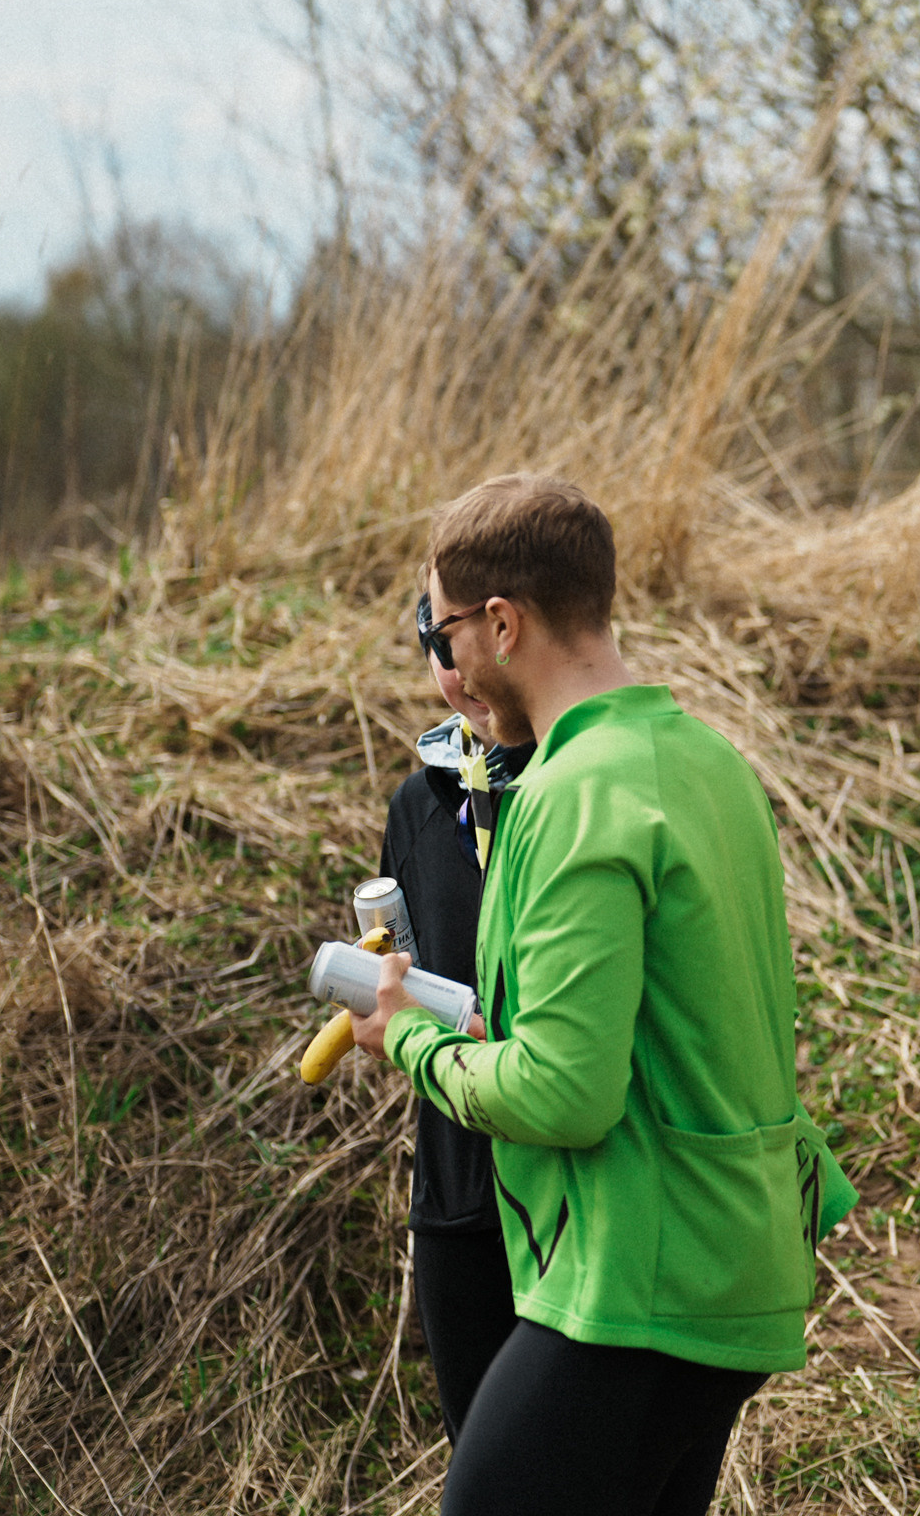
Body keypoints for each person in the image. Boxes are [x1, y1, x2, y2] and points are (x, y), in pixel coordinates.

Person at [351, 473, 852, 1516]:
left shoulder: (570, 796)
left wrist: (408, 1038)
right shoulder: (707, 761)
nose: (442, 660)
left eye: (443, 630)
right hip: (737, 1255)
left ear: (501, 621)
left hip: (639, 1283)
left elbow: (564, 1095)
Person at [379, 594, 531, 1442]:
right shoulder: (418, 803)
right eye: (434, 649)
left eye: (460, 641)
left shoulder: (568, 788)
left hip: (563, 1181)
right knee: (476, 1453)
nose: (455, 671)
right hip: (456, 1184)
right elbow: (404, 946)